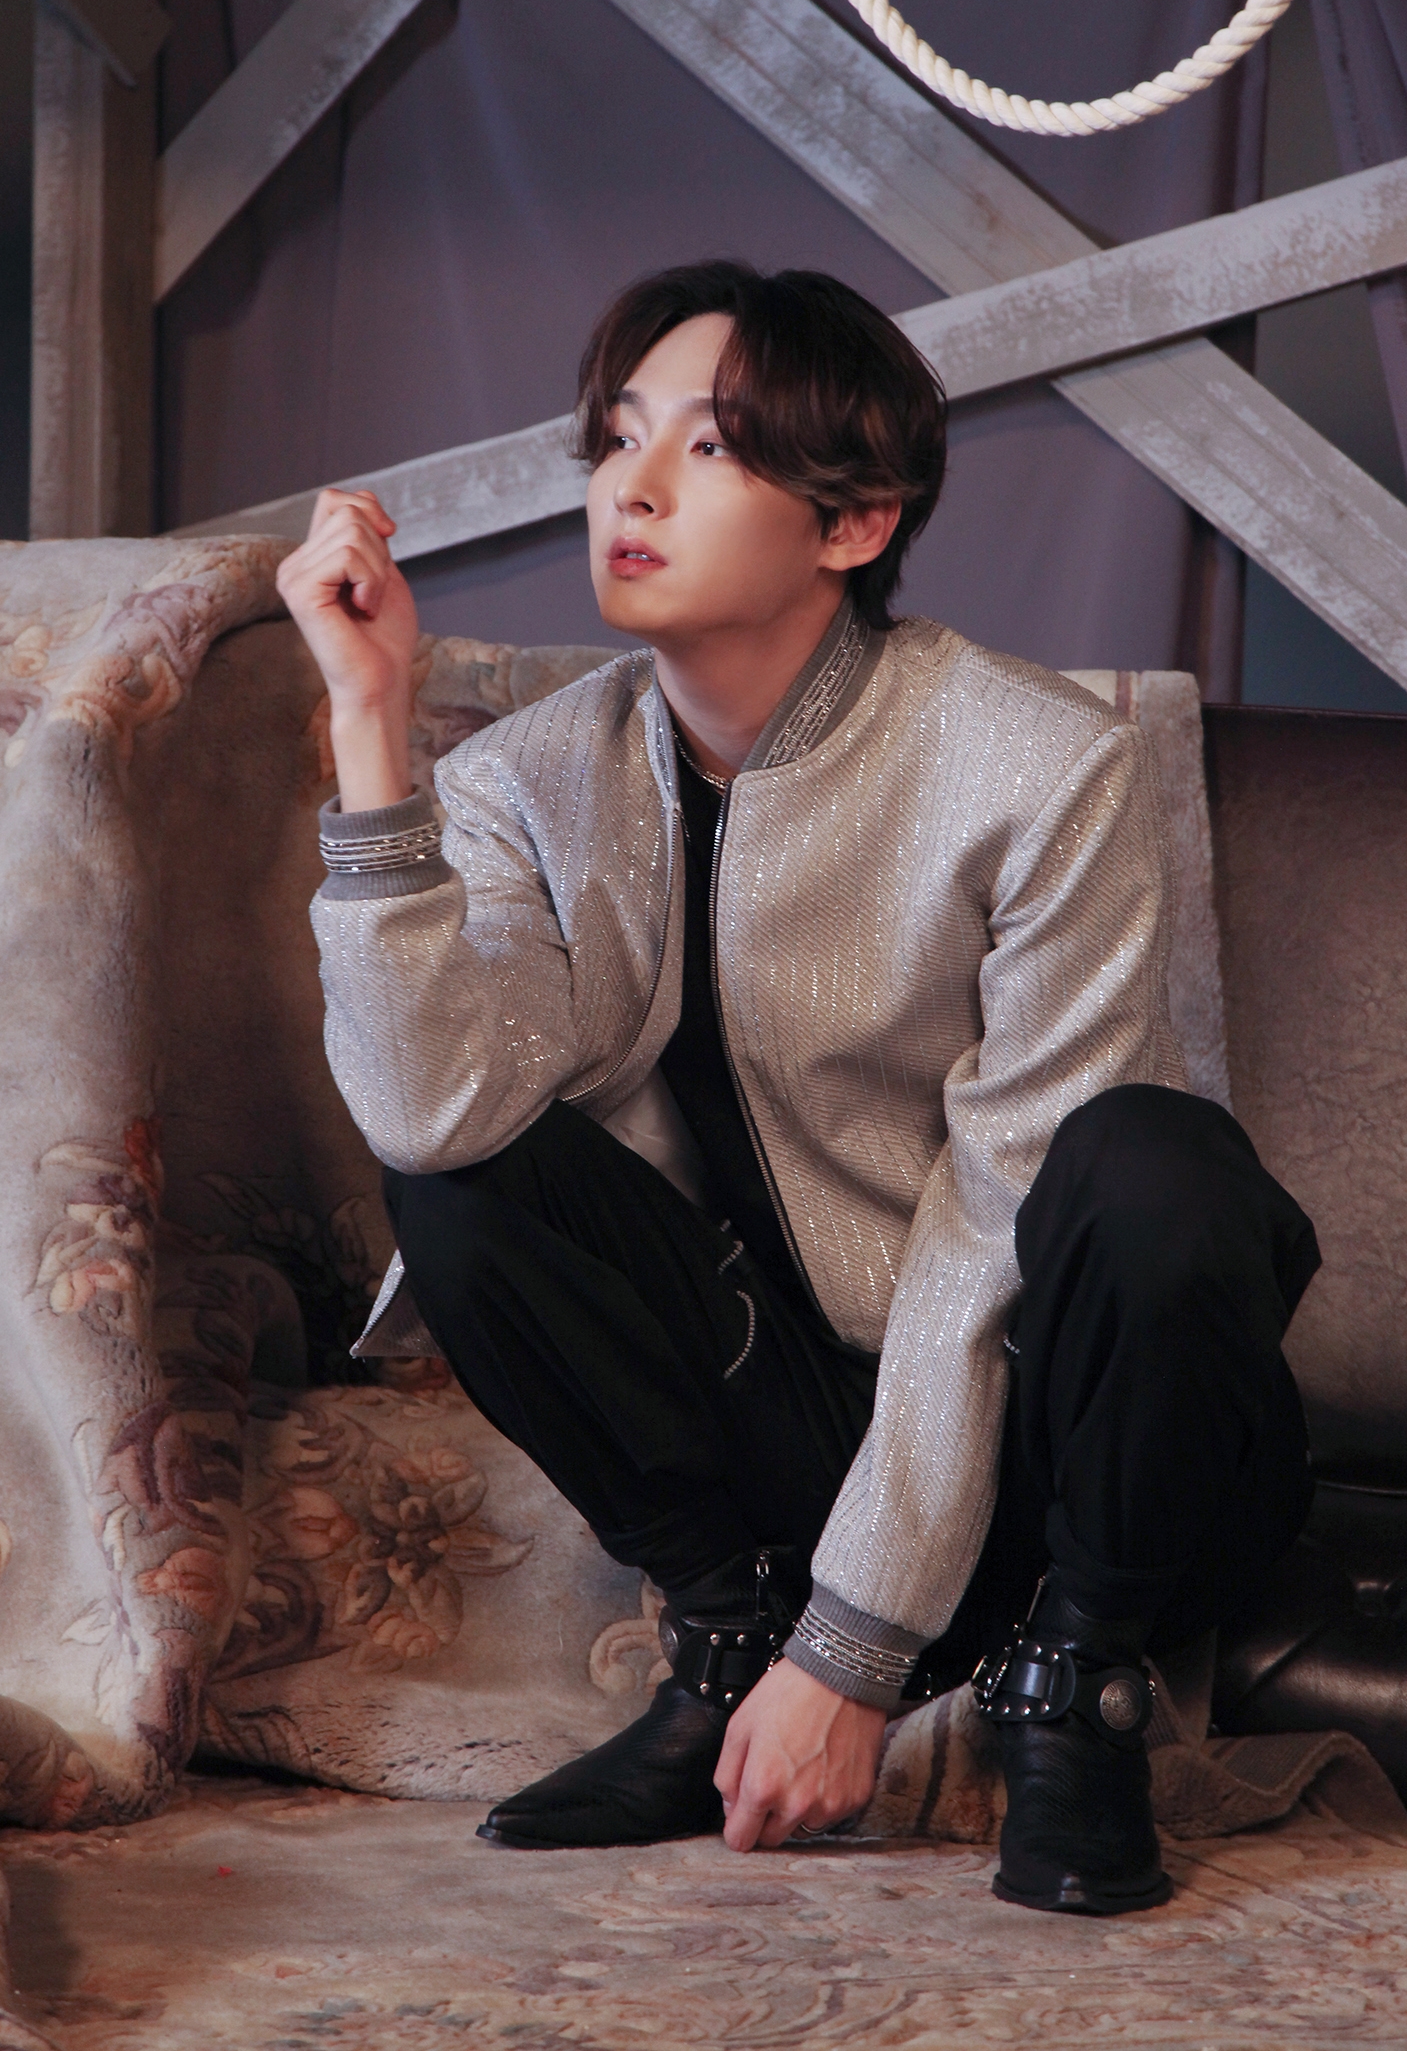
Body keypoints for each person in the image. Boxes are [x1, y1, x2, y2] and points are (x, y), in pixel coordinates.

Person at [278, 262, 1318, 1915]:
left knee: (1157, 1162)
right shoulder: (522, 783)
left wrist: (857, 1650)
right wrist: (372, 724)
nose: (631, 486)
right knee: (462, 1176)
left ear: (853, 523)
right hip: (792, 1438)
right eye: (619, 437)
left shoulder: (1036, 765)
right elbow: (429, 1111)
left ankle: (1078, 1691)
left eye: (706, 447)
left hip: (1065, 1453)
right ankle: (725, 1645)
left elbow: (999, 1223)